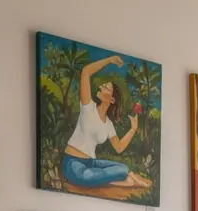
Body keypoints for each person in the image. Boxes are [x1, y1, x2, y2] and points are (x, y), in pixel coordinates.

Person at [59, 54, 150, 192]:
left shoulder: (108, 124)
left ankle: (122, 178)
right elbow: (85, 72)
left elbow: (118, 148)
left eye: (106, 88)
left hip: (91, 163)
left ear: (112, 100)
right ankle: (123, 181)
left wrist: (133, 129)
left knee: (123, 168)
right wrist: (109, 60)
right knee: (87, 176)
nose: (101, 86)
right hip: (72, 162)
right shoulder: (88, 106)